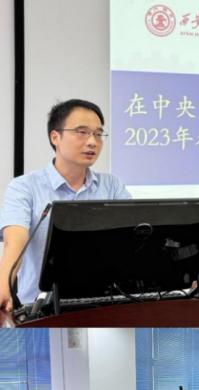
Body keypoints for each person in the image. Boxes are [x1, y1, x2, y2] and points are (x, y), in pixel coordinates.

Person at [0, 98, 129, 313]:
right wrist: (3, 286)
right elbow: (15, 242)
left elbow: (133, 239)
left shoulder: (111, 186)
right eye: (82, 132)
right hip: (40, 310)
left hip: (103, 303)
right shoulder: (24, 187)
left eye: (98, 134)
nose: (92, 142)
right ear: (55, 137)